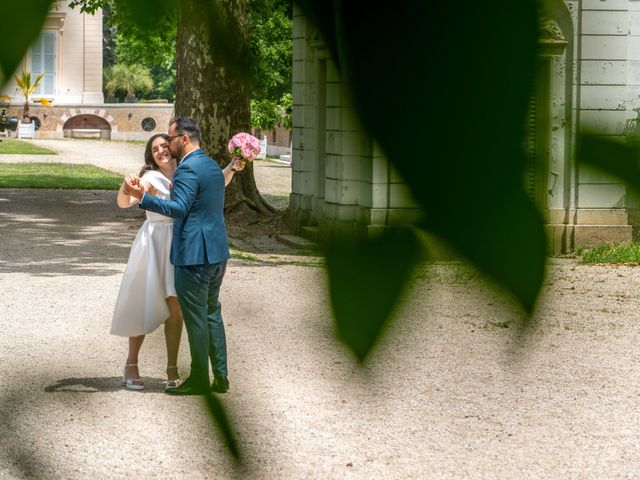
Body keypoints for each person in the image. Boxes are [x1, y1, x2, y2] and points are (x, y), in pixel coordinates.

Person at [112, 132, 240, 392]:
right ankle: (131, 364)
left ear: (174, 146)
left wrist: (231, 167)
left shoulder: (187, 172)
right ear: (151, 156)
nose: (161, 150)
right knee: (144, 301)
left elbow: (217, 184)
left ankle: (172, 367)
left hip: (183, 245)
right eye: (155, 148)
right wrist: (127, 188)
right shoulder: (150, 178)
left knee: (176, 308)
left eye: (164, 145)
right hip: (155, 242)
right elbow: (126, 202)